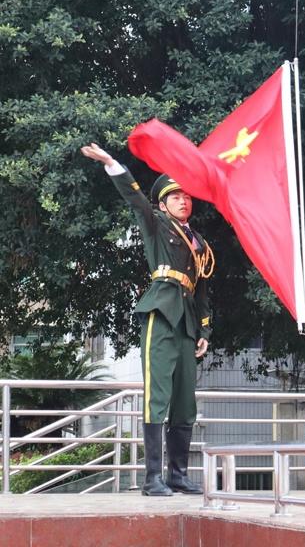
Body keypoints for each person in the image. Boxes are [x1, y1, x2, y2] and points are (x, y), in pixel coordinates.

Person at [80, 143, 214, 497]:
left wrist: (203, 328)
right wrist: (112, 164)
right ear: (163, 204)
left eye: (187, 196)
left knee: (185, 401)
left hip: (186, 321)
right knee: (158, 396)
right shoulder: (156, 224)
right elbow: (135, 199)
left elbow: (201, 290)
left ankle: (178, 475)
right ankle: (152, 477)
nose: (184, 201)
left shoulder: (198, 241)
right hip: (161, 312)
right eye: (176, 197)